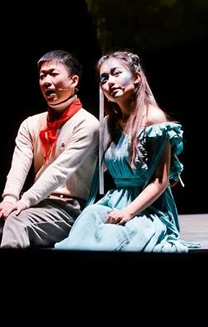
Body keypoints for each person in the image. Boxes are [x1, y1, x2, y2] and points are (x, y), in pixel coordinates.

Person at [55, 50, 197, 252]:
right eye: (104, 79)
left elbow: (160, 180)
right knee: (89, 217)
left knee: (112, 236)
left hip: (148, 208)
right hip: (116, 200)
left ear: (137, 77)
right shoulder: (108, 125)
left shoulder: (152, 119)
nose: (110, 82)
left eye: (116, 73)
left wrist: (128, 212)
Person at [0, 50, 99, 248]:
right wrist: (9, 199)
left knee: (16, 224)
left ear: (74, 80)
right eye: (42, 76)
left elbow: (59, 170)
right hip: (34, 204)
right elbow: (18, 166)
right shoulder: (31, 124)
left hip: (68, 209)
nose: (46, 81)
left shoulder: (87, 124)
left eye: (53, 74)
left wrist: (25, 201)